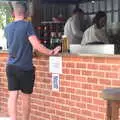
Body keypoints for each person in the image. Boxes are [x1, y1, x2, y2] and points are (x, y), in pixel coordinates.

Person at [4, 2, 61, 120]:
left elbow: (13, 45)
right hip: (25, 68)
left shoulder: (7, 28)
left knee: (12, 96)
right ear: (25, 13)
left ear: (14, 13)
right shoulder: (27, 25)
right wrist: (50, 52)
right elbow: (36, 44)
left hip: (11, 66)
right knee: (25, 98)